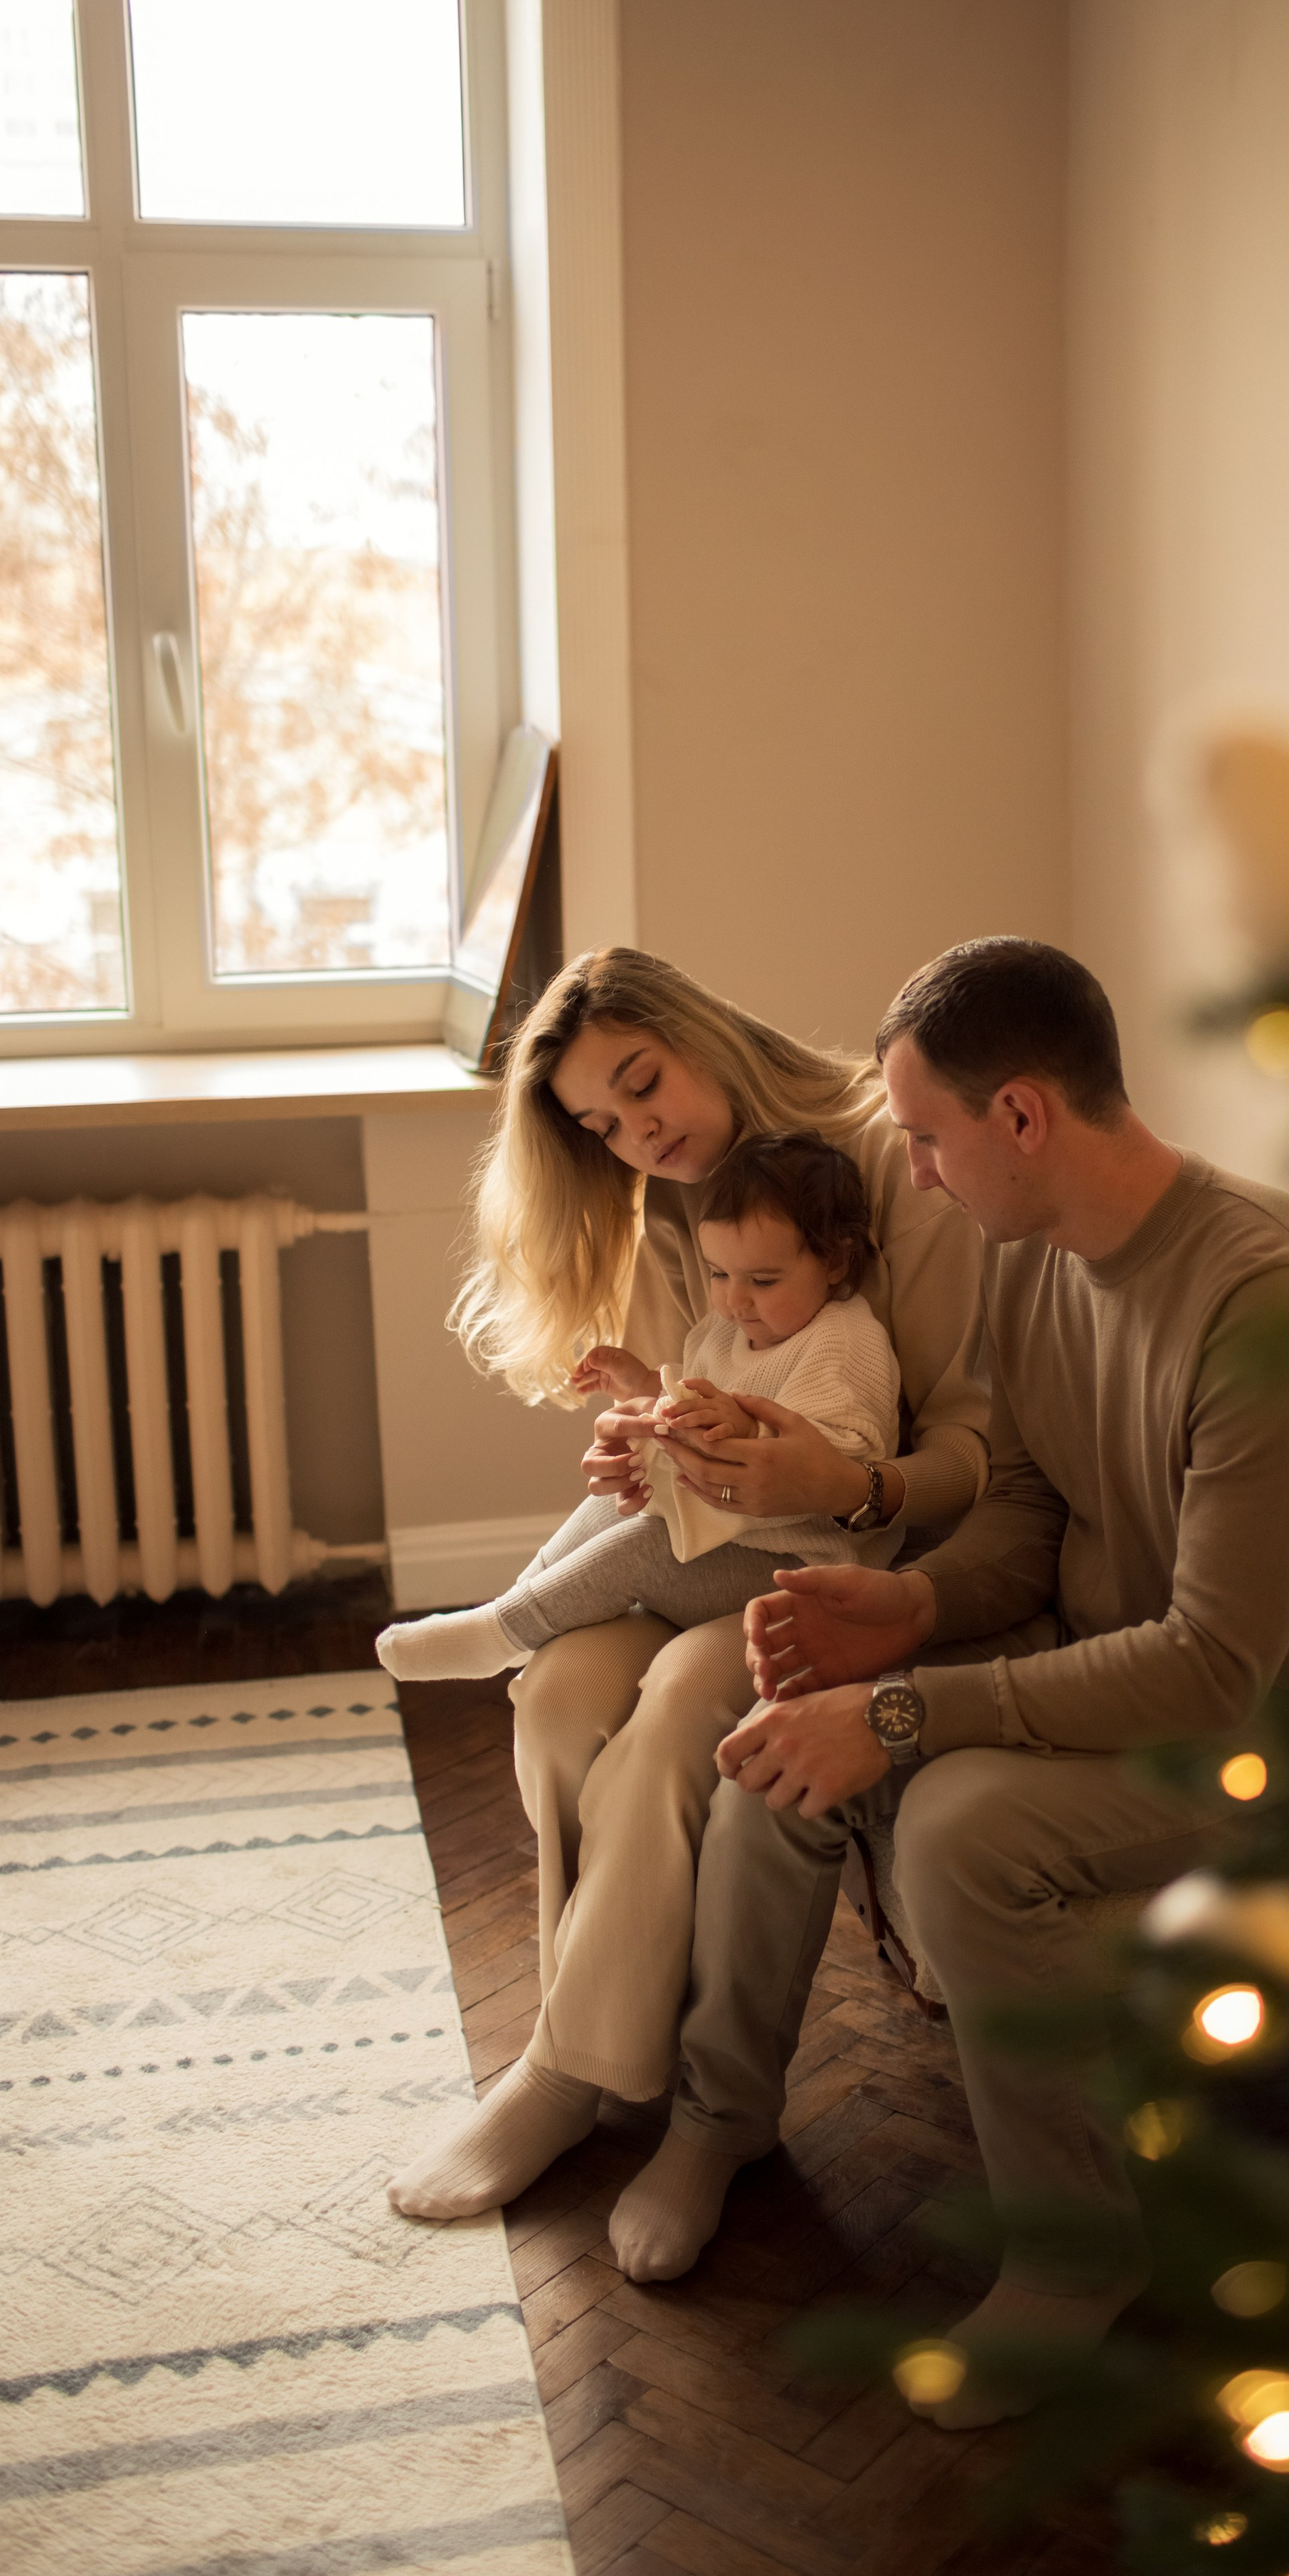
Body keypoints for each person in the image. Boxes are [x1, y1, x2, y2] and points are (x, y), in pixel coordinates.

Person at [636, 937, 1289, 2419]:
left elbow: (1213, 1665)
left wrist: (900, 1710)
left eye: (926, 1138)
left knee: (954, 1827)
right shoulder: (1030, 1252)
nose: (916, 1177)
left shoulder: (1266, 1297)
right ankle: (720, 2115)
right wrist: (906, 1606)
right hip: (1105, 1665)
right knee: (781, 1739)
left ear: (1020, 1116)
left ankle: (1076, 2256)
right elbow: (1027, 1505)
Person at [384, 949, 990, 2250]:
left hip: (845, 1556)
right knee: (558, 1695)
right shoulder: (669, 1210)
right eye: (602, 1125)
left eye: (643, 1084)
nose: (638, 1133)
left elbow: (972, 1447)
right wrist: (633, 1443)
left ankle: (691, 2106)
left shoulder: (889, 1163)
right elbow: (687, 1403)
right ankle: (581, 2058)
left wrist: (846, 1480)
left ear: (699, 1030)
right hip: (704, 1540)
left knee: (674, 1715)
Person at [373, 1135, 902, 1672]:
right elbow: (691, 1395)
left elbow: (852, 1458)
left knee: (644, 1544)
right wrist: (644, 1386)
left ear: (835, 1261)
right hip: (724, 1532)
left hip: (798, 1562)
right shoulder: (726, 1331)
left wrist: (748, 1429)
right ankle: (514, 1609)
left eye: (763, 1281)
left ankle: (503, 1634)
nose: (734, 1300)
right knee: (614, 1504)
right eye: (718, 1273)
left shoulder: (844, 1340)